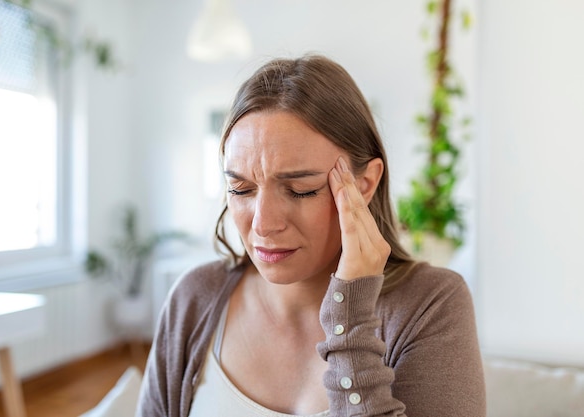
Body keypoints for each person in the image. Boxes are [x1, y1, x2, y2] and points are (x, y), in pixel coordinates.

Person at [137, 54, 485, 417]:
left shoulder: (432, 305)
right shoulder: (194, 298)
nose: (263, 224)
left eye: (300, 189)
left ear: (364, 184)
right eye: (241, 189)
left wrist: (349, 320)